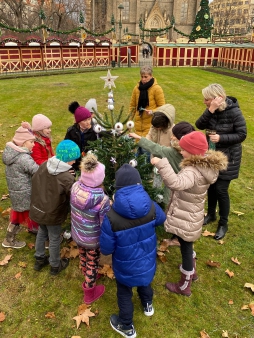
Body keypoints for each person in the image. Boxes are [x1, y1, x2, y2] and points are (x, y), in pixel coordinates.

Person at [151, 131, 228, 296]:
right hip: (192, 213)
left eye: (184, 149)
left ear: (193, 152)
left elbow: (176, 183)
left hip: (186, 216)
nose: (181, 151)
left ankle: (184, 285)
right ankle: (192, 272)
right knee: (187, 244)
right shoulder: (204, 165)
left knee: (185, 248)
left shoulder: (192, 171)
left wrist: (161, 163)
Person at [100, 164, 166, 338]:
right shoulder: (150, 206)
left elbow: (106, 249)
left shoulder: (111, 216)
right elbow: (162, 218)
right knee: (145, 281)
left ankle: (126, 326)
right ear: (139, 183)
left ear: (118, 187)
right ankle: (147, 305)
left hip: (125, 266)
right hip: (147, 260)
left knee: (124, 292)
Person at [130, 121, 195, 247]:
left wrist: (140, 139)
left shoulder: (174, 152)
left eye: (174, 136)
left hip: (177, 191)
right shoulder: (194, 152)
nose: (171, 137)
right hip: (192, 192)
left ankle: (178, 238)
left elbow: (157, 148)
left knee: (176, 213)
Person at [195, 83, 247, 240]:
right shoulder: (212, 110)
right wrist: (210, 109)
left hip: (229, 157)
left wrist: (221, 138)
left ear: (218, 98)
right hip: (212, 155)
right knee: (211, 186)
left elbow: (242, 134)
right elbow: (199, 125)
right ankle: (211, 214)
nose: (204, 101)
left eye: (207, 99)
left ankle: (223, 223)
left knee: (221, 190)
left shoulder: (235, 112)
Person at [30, 140, 80, 275]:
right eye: (73, 160)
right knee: (54, 237)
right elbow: (73, 196)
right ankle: (55, 264)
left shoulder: (45, 165)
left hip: (39, 208)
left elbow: (35, 180)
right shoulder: (66, 178)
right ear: (67, 159)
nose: (74, 162)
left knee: (42, 232)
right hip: (53, 213)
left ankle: (39, 259)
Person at [70, 154, 110, 304]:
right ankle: (89, 291)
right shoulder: (102, 199)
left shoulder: (74, 188)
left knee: (82, 253)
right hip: (93, 238)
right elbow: (103, 223)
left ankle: (84, 269)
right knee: (93, 261)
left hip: (78, 232)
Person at [2, 122, 39, 249]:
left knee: (18, 214)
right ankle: (45, 237)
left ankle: (10, 238)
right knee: (35, 212)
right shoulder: (24, 158)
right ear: (23, 143)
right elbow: (37, 171)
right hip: (25, 193)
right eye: (31, 142)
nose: (34, 144)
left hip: (17, 192)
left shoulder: (12, 154)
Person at [129, 65, 165, 159]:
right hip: (137, 128)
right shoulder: (136, 89)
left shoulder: (157, 89)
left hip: (150, 128)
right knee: (135, 158)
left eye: (146, 77)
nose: (143, 79)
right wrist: (129, 121)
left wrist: (153, 111)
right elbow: (132, 106)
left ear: (151, 76)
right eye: (142, 76)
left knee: (146, 157)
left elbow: (163, 107)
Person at [28, 114, 54, 234]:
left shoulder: (46, 140)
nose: (49, 130)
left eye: (50, 128)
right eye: (47, 128)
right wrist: (51, 163)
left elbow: (50, 154)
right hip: (41, 172)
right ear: (39, 129)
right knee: (40, 197)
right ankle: (35, 224)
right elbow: (37, 160)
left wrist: (54, 160)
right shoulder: (36, 143)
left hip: (48, 168)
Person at [65, 102, 97, 171]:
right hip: (74, 164)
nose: (88, 122)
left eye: (89, 119)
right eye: (85, 120)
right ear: (78, 122)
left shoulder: (95, 130)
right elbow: (66, 148)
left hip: (89, 163)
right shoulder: (71, 131)